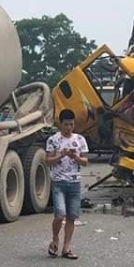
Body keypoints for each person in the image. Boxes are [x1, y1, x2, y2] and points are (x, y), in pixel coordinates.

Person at [46, 109, 89, 259]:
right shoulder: (53, 140)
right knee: (60, 214)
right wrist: (61, 155)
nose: (69, 127)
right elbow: (48, 161)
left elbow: (85, 161)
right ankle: (55, 239)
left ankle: (66, 247)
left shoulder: (80, 139)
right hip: (58, 182)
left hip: (74, 182)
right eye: (66, 124)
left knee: (72, 216)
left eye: (71, 124)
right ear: (60, 124)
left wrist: (76, 157)